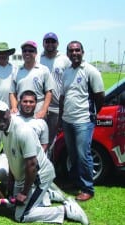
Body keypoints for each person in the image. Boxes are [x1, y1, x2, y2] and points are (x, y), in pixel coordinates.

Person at [0, 101, 89, 224]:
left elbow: (32, 165)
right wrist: (11, 183)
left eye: (2, 114)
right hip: (23, 176)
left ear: (8, 113)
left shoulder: (22, 131)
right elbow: (12, 157)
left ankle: (66, 210)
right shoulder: (2, 127)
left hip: (39, 175)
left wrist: (24, 193)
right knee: (12, 206)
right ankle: (47, 194)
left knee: (21, 215)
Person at [59, 40, 105, 201]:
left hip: (83, 121)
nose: (74, 53)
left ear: (82, 52)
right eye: (71, 51)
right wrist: (61, 117)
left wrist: (93, 114)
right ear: (68, 54)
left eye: (77, 50)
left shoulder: (91, 71)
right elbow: (63, 96)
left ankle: (87, 188)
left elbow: (100, 97)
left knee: (83, 154)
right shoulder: (67, 72)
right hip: (67, 120)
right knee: (72, 155)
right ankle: (74, 181)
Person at [40, 32, 71, 146]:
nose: (50, 44)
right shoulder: (39, 58)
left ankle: (51, 163)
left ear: (57, 43)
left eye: (53, 41)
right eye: (47, 41)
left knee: (54, 139)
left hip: (57, 107)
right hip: (41, 106)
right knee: (40, 137)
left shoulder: (64, 59)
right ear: (43, 43)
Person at [10, 41, 55, 119]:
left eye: (31, 51)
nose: (27, 53)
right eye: (25, 51)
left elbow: (49, 92)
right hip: (21, 110)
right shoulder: (16, 71)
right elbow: (12, 93)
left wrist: (44, 110)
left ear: (36, 53)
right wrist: (14, 107)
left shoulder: (44, 69)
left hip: (38, 110)